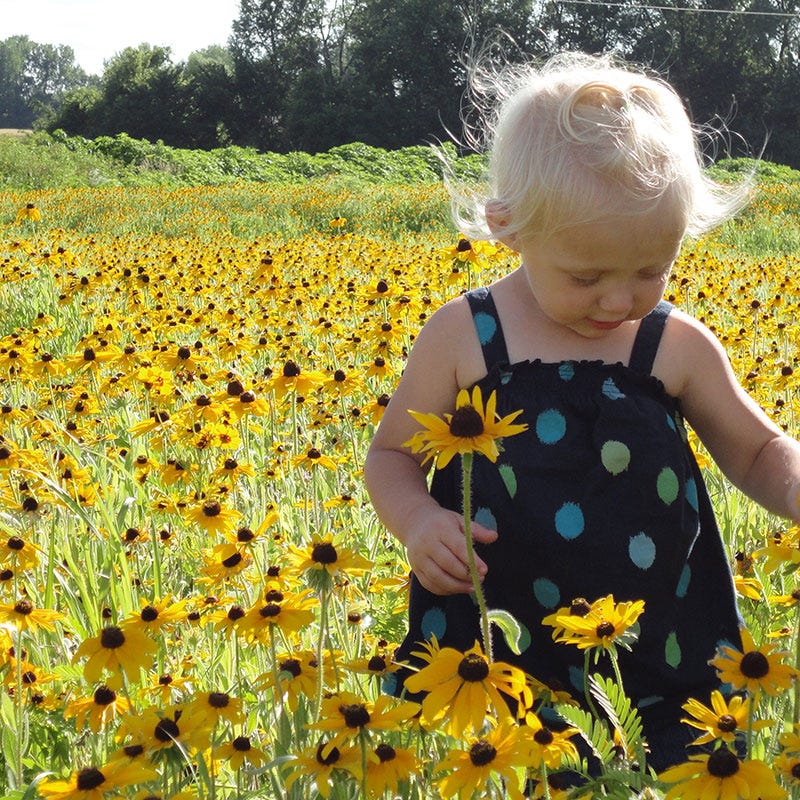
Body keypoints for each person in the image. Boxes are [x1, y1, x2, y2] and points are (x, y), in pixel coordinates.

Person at [363, 51, 800, 772]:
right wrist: (417, 521)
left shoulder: (674, 346)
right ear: (509, 228)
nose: (620, 300)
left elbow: (756, 451)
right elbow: (391, 456)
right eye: (586, 275)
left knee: (675, 771)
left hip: (660, 644)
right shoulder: (465, 336)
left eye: (651, 269)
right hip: (501, 638)